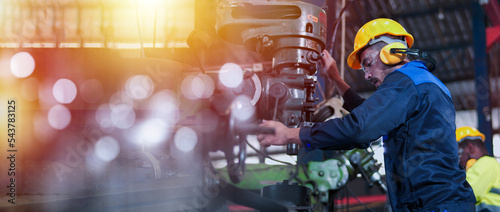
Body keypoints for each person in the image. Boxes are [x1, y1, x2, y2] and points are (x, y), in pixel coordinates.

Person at [257, 18, 476, 211]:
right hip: (440, 204)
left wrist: (291, 134)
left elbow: (361, 128)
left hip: (434, 206)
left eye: (368, 64)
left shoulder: (405, 82)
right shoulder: (420, 81)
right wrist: (334, 78)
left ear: (390, 54)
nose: (367, 75)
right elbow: (371, 114)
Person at [456, 126, 500, 211]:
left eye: (458, 153)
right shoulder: (493, 164)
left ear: (470, 148)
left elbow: (466, 193)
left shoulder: (485, 163)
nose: (459, 160)